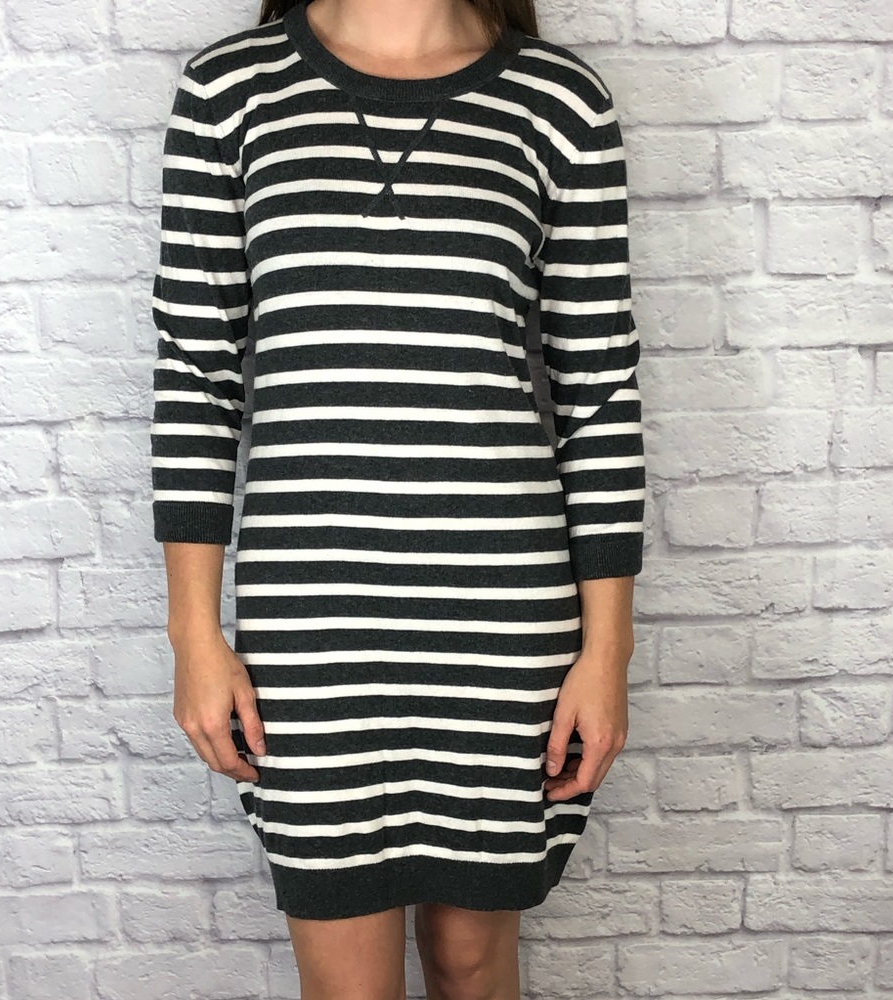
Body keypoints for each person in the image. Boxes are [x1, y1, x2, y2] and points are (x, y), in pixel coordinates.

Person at [149, 0, 645, 995]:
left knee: (471, 960)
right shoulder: (230, 94)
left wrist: (608, 652)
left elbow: (598, 394)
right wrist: (193, 635)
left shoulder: (557, 101)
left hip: (501, 627)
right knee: (348, 981)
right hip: (313, 627)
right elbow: (197, 379)